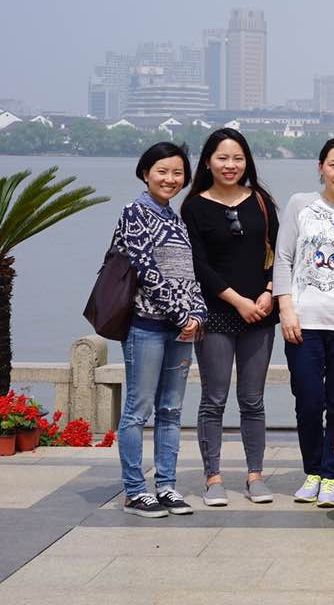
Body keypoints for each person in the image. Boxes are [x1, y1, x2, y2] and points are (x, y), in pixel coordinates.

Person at [274, 137, 334, 509]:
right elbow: (283, 259)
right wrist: (286, 309)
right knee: (308, 400)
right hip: (303, 320)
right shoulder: (300, 204)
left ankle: (332, 475)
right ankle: (312, 471)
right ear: (320, 167)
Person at [181, 128, 278, 507]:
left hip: (260, 314)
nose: (230, 165)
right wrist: (238, 301)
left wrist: (268, 292)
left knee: (253, 400)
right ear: (208, 162)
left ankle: (255, 475)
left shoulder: (261, 201)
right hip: (217, 313)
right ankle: (213, 478)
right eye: (222, 158)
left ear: (247, 162)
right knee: (214, 398)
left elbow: (276, 253)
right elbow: (198, 265)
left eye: (237, 158)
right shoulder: (194, 207)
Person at [112, 142, 207, 517]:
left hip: (181, 330)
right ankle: (135, 491)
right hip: (146, 327)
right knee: (138, 409)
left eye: (177, 173)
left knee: (170, 410)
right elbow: (146, 272)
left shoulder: (175, 219)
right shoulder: (134, 212)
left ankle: (166, 486)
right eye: (162, 171)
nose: (170, 179)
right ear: (145, 173)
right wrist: (182, 316)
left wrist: (197, 314)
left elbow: (189, 275)